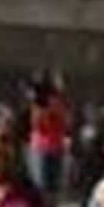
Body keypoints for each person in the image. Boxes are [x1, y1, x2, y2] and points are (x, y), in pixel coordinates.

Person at [26, 71, 71, 199]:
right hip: (40, 148)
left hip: (56, 147)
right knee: (39, 185)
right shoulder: (38, 104)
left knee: (54, 187)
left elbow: (65, 123)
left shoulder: (59, 102)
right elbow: (37, 124)